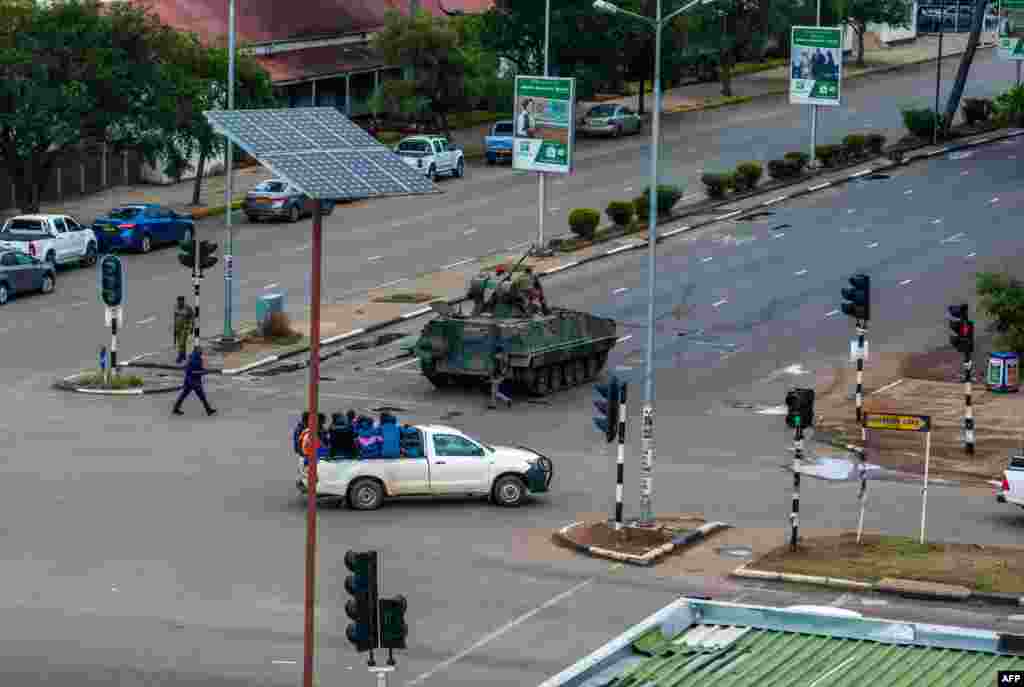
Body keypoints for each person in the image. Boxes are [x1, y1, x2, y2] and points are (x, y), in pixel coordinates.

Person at [172, 346, 216, 416]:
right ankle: (208, 410)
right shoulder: (194, 359)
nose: (202, 351)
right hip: (193, 382)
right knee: (201, 396)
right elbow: (193, 371)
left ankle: (175, 409)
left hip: (191, 381)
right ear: (197, 351)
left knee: (184, 396)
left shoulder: (196, 358)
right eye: (200, 350)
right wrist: (204, 372)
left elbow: (198, 369)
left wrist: (205, 371)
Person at [172, 296, 195, 364]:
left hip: (185, 328)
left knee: (182, 343)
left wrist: (191, 327)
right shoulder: (176, 308)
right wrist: (174, 329)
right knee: (180, 343)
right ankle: (183, 355)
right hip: (178, 328)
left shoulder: (188, 308)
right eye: (178, 301)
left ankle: (180, 357)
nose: (179, 302)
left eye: (181, 301)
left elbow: (192, 318)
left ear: (183, 301)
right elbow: (175, 318)